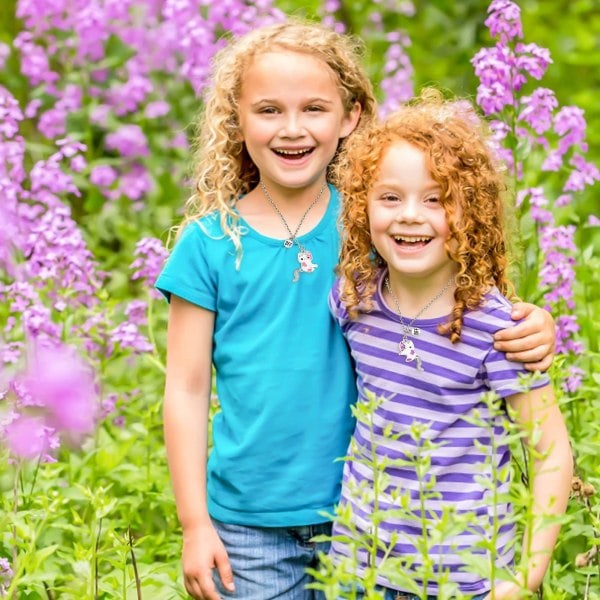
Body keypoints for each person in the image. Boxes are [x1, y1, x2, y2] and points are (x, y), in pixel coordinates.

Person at [155, 21, 556, 600]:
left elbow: (456, 290)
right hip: (247, 522)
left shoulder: (375, 216)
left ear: (350, 118)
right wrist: (195, 524)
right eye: (268, 110)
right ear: (235, 119)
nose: (292, 129)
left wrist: (529, 319)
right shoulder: (208, 243)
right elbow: (186, 390)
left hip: (368, 520)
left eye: (314, 109)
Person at [327, 90, 572, 599]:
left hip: (466, 578)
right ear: (360, 206)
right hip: (363, 571)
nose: (410, 215)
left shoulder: (496, 328)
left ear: (471, 213)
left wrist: (523, 575)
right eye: (389, 197)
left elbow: (551, 454)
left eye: (436, 199)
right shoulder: (355, 298)